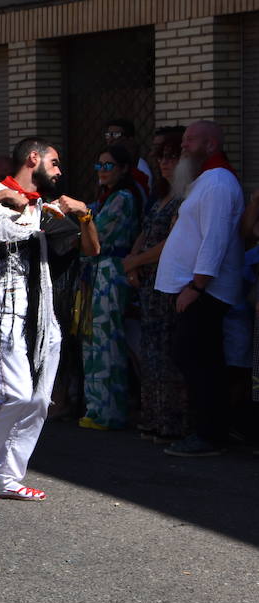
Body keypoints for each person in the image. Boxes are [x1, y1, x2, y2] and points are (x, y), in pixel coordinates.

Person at [0, 136, 98, 502]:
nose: (60, 171)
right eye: (56, 163)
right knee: (15, 394)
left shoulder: (46, 208)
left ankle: (8, 477)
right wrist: (2, 198)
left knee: (40, 401)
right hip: (7, 309)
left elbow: (92, 249)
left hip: (45, 316)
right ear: (34, 159)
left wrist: (84, 215)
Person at [155, 120, 246, 457]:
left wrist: (197, 285)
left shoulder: (219, 181)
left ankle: (209, 435)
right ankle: (212, 429)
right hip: (194, 289)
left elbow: (216, 240)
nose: (183, 147)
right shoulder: (207, 181)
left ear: (211, 145)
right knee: (197, 359)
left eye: (191, 141)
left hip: (204, 292)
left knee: (198, 361)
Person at [123, 129, 187, 440]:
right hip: (148, 284)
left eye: (172, 157)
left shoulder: (184, 197)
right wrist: (133, 258)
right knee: (148, 353)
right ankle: (151, 416)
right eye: (161, 156)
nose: (164, 162)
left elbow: (172, 243)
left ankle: (171, 421)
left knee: (166, 355)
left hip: (169, 284)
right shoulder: (160, 196)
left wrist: (137, 261)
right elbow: (145, 231)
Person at [79, 143, 143, 430]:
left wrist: (80, 221)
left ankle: (108, 411)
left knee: (106, 340)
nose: (102, 171)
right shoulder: (103, 197)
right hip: (94, 272)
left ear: (124, 169)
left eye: (108, 166)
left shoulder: (124, 198)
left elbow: (98, 233)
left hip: (111, 271)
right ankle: (94, 407)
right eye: (99, 166)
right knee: (91, 339)